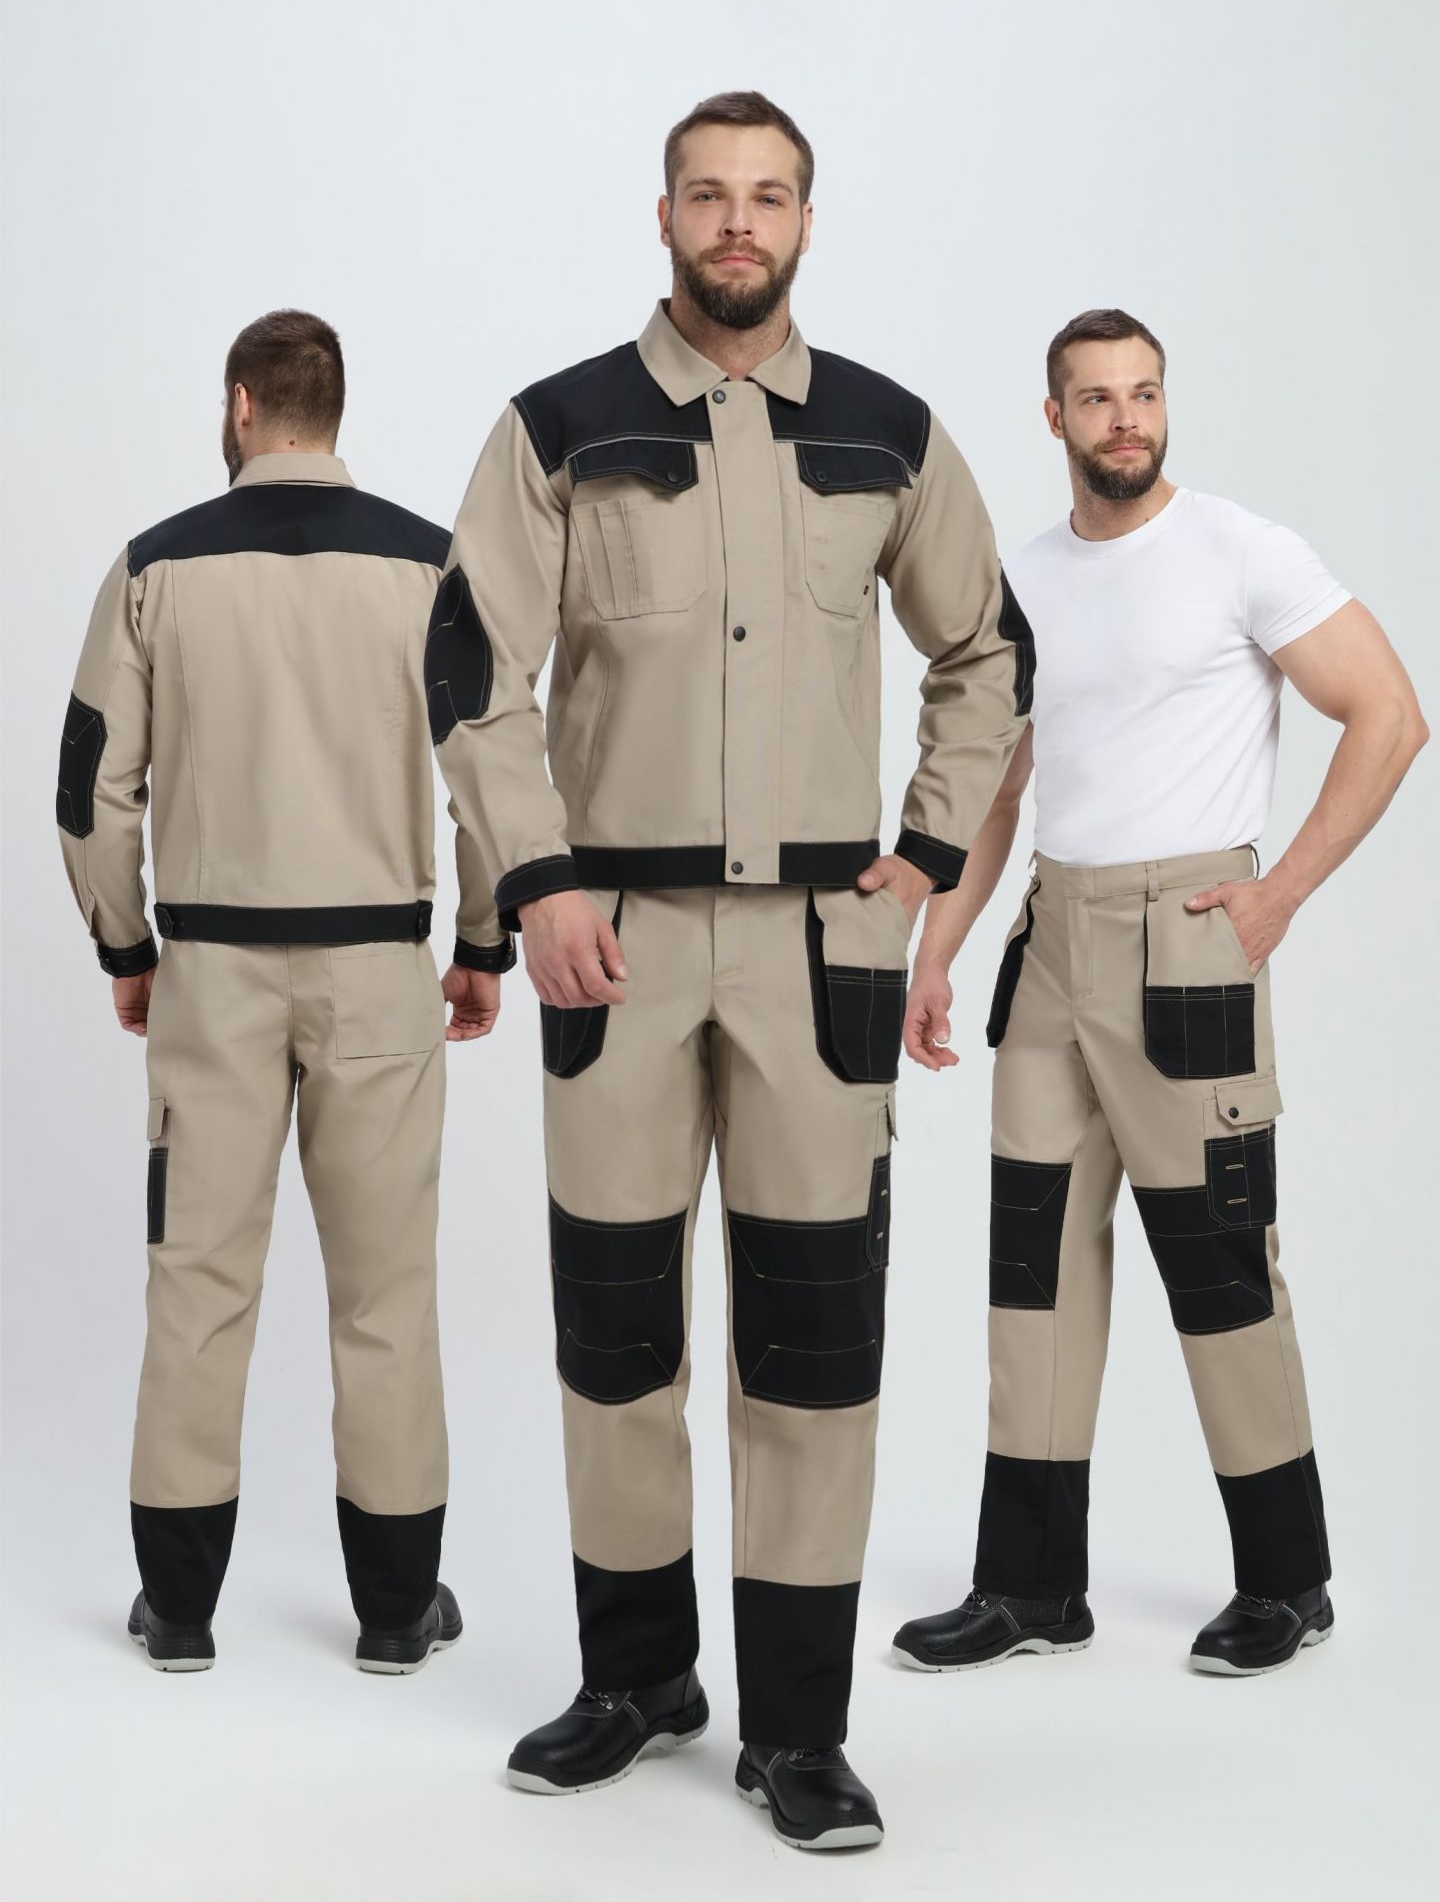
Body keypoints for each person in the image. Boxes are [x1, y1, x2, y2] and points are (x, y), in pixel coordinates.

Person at [432, 90, 1031, 1848]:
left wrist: (925, 854)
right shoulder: (560, 426)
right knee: (618, 1336)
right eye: (709, 194)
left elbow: (989, 653)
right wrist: (535, 880)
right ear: (666, 217)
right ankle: (638, 1681)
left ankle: (800, 1732)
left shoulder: (887, 433)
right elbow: (468, 664)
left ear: (808, 222)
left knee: (813, 1346)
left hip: (819, 959)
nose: (739, 221)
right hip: (609, 946)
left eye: (769, 195)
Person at [892, 307, 1427, 1680]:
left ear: (1164, 405)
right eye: (1096, 398)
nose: (1124, 418)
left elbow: (1390, 713)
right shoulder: (1020, 581)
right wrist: (937, 951)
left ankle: (1288, 1582)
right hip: (1050, 947)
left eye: (1143, 394)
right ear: (1055, 418)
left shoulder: (1243, 552)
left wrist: (1279, 892)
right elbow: (1000, 789)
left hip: (1189, 941)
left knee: (1220, 1262)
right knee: (1033, 1269)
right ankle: (1028, 1587)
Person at [57, 309, 514, 1674]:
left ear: (243, 406)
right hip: (379, 972)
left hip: (213, 973)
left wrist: (126, 949)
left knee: (197, 1285)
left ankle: (180, 1613)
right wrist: (481, 941)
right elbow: (494, 771)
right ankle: (395, 1615)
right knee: (387, 1294)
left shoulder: (157, 566)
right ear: (334, 408)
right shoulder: (430, 564)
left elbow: (90, 787)